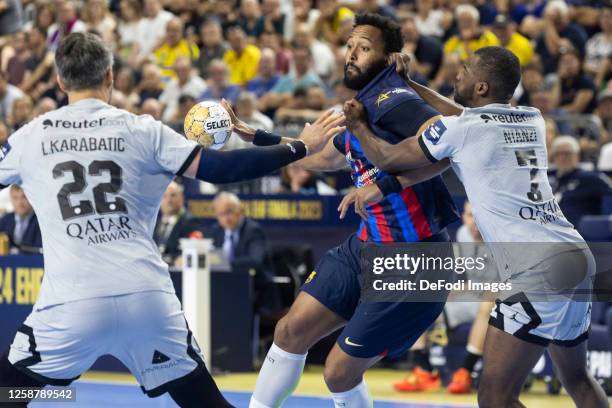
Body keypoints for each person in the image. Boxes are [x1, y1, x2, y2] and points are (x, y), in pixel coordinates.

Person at [0, 32, 344, 408]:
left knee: (9, 394)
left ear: (60, 81)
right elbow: (222, 169)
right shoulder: (141, 129)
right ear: (111, 76)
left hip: (69, 304)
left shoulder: (30, 137)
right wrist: (299, 146)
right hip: (146, 299)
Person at [339, 46, 608, 408]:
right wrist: (410, 84)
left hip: (536, 267)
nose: (456, 75)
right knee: (577, 378)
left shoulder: (463, 129)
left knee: (495, 398)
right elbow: (464, 116)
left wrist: (358, 125)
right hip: (575, 256)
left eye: (464, 70)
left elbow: (389, 157)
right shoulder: (531, 116)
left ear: (481, 87)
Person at [233, 14, 458, 408]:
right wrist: (260, 138)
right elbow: (325, 157)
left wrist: (384, 185)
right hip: (366, 247)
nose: (352, 54)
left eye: (365, 48)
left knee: (338, 371)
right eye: (351, 45)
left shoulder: (396, 101)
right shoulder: (362, 104)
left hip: (415, 258)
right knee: (289, 331)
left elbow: (451, 145)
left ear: (388, 59)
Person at [548, 136, 612, 227]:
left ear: (577, 155)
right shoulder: (546, 177)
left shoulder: (590, 178)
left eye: (567, 153)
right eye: (558, 154)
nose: (562, 157)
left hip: (576, 231)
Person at [153, 182, 202, 265]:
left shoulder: (191, 222)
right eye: (164, 196)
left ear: (182, 198)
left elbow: (193, 252)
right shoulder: (155, 224)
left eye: (173, 195)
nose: (169, 200)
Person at [0, 185, 42, 254]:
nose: (20, 203)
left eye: (24, 197)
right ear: (11, 199)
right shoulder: (5, 221)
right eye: (15, 198)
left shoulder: (40, 222)